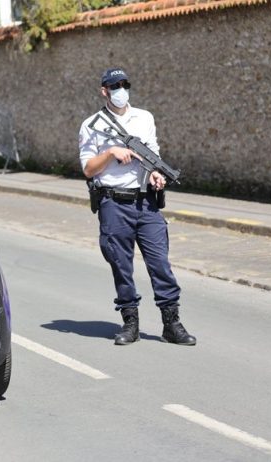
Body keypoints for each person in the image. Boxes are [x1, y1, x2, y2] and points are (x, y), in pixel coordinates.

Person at [78, 68, 196, 346]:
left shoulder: (144, 118)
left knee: (160, 263)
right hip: (113, 203)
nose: (121, 90)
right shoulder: (91, 124)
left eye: (125, 84)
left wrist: (157, 174)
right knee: (121, 265)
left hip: (146, 203)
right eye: (114, 86)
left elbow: (152, 155)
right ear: (103, 91)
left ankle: (171, 323)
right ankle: (130, 323)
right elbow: (87, 168)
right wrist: (109, 153)